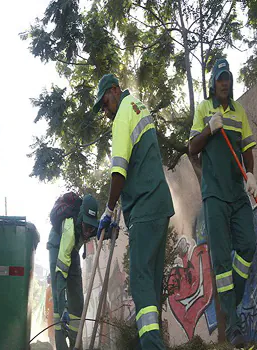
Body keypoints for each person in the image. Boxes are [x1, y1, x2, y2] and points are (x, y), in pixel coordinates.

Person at [92, 73, 175, 349]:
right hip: (159, 203)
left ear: (115, 90)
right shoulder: (139, 107)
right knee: (150, 281)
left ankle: (152, 345)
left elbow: (119, 171)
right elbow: (139, 163)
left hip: (145, 206)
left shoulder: (121, 118)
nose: (105, 111)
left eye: (104, 103)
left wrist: (108, 209)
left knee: (140, 280)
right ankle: (149, 343)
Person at [188, 58, 257, 347]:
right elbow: (191, 147)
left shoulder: (239, 111)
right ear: (213, 83)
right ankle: (233, 327)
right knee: (220, 261)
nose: (225, 83)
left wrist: (250, 174)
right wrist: (209, 129)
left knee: (249, 245)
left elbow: (248, 147)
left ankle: (233, 298)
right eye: (220, 79)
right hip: (214, 195)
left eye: (227, 78)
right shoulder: (204, 110)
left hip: (238, 194)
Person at [47, 193, 100, 350]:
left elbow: (96, 232)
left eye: (92, 226)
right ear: (80, 219)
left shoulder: (88, 227)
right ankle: (62, 346)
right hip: (58, 246)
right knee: (59, 304)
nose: (88, 230)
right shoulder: (70, 229)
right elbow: (61, 271)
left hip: (73, 251)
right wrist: (63, 308)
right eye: (86, 226)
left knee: (77, 302)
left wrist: (109, 232)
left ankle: (76, 345)